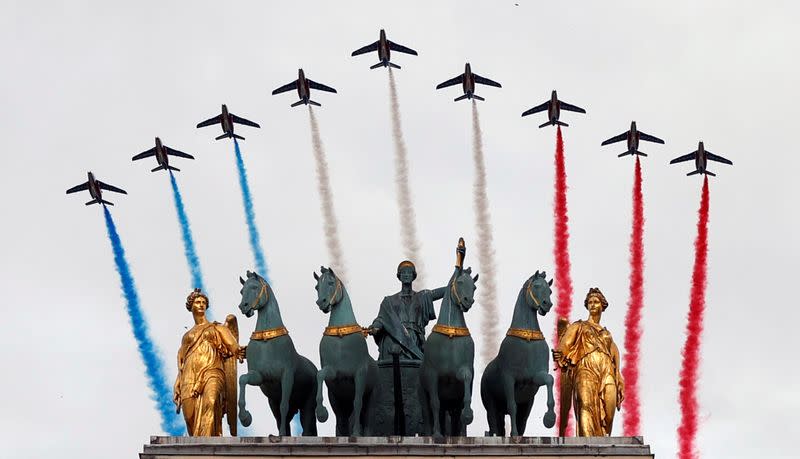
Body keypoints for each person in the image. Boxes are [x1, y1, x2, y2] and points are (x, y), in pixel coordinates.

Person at [552, 287, 624, 436]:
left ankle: (603, 439)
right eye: (590, 302)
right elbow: (564, 344)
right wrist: (560, 354)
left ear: (602, 306)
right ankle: (587, 445)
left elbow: (615, 355)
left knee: (609, 410)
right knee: (585, 405)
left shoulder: (606, 333)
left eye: (596, 302)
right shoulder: (579, 326)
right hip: (585, 369)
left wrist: (619, 377)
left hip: (606, 370)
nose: (592, 304)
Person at [173, 289, 245, 436]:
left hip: (213, 371)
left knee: (211, 403)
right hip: (189, 376)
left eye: (204, 302)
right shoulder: (186, 336)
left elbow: (232, 345)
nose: (201, 305)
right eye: (198, 302)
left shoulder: (217, 327)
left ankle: (208, 445)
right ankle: (196, 450)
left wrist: (239, 350)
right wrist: (178, 382)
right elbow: (182, 361)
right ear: (191, 306)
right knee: (189, 415)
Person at [369, 261, 447, 362]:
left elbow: (443, 291)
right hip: (396, 339)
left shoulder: (422, 297)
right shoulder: (389, 301)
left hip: (416, 342)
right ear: (399, 276)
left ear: (413, 276)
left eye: (409, 272)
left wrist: (457, 279)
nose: (406, 275)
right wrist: (375, 327)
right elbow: (381, 319)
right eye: (403, 272)